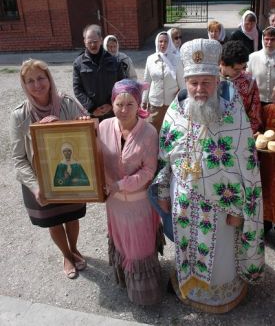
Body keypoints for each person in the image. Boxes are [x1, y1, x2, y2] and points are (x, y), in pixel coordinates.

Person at [152, 39, 264, 313]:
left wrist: (240, 209)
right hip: (184, 203)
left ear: (217, 79)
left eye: (206, 82)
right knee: (187, 247)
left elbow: (247, 168)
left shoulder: (234, 115)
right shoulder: (174, 112)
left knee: (221, 258)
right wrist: (164, 193)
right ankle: (189, 285)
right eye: (193, 82)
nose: (199, 89)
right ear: (186, 82)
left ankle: (220, 294)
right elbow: (165, 158)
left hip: (222, 207)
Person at [10, 59, 88, 279]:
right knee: (53, 220)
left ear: (49, 78)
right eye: (30, 81)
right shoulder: (19, 115)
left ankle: (74, 249)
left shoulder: (66, 103)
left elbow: (85, 139)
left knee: (72, 217)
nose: (37, 85)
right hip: (39, 181)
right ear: (24, 84)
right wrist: (35, 187)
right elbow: (18, 158)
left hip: (70, 176)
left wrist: (81, 123)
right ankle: (65, 255)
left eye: (41, 78)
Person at [99, 79, 163, 305]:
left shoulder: (149, 132)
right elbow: (90, 154)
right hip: (114, 204)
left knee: (139, 248)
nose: (124, 110)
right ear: (111, 103)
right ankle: (125, 280)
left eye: (130, 104)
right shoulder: (103, 127)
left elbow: (149, 171)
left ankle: (145, 294)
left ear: (139, 105)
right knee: (123, 244)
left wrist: (121, 185)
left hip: (138, 204)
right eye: (119, 104)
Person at [73, 24, 125, 121]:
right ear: (84, 42)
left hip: (113, 112)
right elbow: (77, 89)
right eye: (89, 42)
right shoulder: (78, 63)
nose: (93, 45)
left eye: (95, 42)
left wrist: (111, 103)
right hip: (91, 115)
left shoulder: (114, 61)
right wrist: (91, 108)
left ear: (101, 40)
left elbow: (122, 85)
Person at [142, 31, 185, 133]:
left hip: (172, 104)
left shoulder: (177, 59)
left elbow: (182, 83)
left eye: (165, 41)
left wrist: (183, 101)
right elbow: (146, 81)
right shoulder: (150, 59)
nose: (163, 44)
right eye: (160, 41)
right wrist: (143, 100)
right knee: (153, 131)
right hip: (155, 104)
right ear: (157, 42)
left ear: (169, 43)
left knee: (170, 131)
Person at [220, 40, 262, 134]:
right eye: (236, 69)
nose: (241, 72)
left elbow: (254, 114)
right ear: (222, 63)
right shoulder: (209, 80)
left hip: (241, 133)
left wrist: (247, 135)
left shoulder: (249, 81)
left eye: (243, 67)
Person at [258, 103, 275, 234]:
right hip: (267, 161)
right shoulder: (267, 109)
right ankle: (265, 223)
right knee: (266, 191)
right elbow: (259, 127)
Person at [247, 26, 275, 105]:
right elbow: (247, 79)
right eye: (267, 39)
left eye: (273, 39)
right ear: (262, 39)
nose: (269, 43)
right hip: (256, 102)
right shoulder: (253, 57)